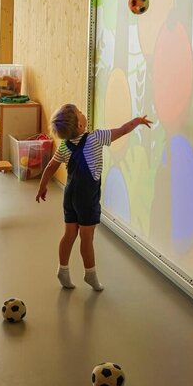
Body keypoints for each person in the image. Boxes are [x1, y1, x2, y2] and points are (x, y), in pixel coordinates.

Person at [36, 104, 151, 291]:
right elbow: (122, 131)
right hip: (87, 197)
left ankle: (62, 269)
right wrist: (137, 121)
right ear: (80, 126)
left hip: (70, 194)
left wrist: (42, 186)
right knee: (86, 237)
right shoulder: (96, 137)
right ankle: (90, 275)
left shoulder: (64, 145)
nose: (83, 112)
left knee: (69, 234)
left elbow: (50, 166)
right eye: (80, 113)